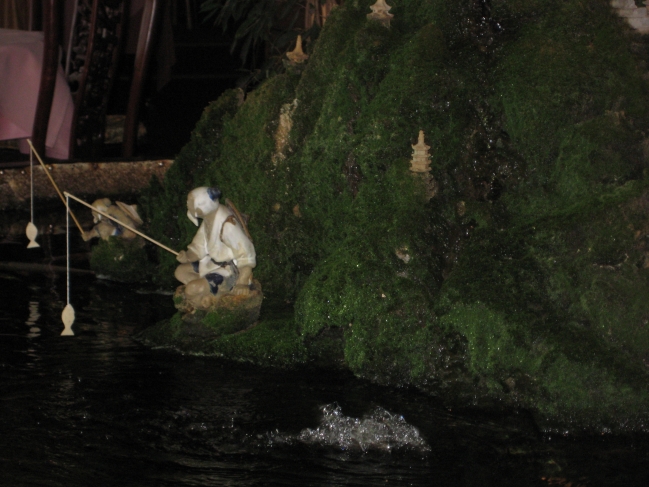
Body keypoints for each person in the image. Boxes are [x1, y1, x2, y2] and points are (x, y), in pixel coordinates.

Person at [175, 187, 256, 308]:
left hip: (228, 270)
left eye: (191, 204)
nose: (189, 207)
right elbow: (199, 247)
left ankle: (201, 303)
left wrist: (243, 281)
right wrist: (188, 256)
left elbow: (246, 253)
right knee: (180, 272)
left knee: (191, 289)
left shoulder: (227, 224)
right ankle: (206, 289)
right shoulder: (208, 219)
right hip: (211, 263)